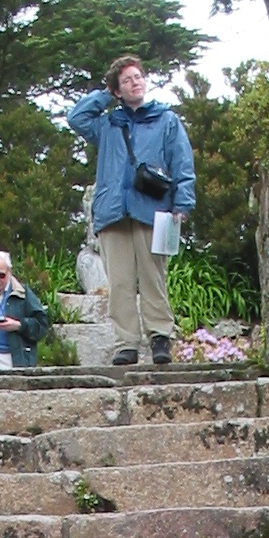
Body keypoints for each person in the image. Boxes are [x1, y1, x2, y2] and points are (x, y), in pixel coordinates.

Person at [67, 56, 195, 366]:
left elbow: (182, 161)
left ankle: (160, 336)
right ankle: (127, 343)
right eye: (126, 80)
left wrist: (183, 202)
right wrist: (104, 95)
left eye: (138, 77)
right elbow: (76, 118)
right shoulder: (108, 123)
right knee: (120, 282)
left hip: (153, 209)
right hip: (112, 212)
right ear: (118, 90)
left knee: (153, 277)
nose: (134, 83)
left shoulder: (166, 120)